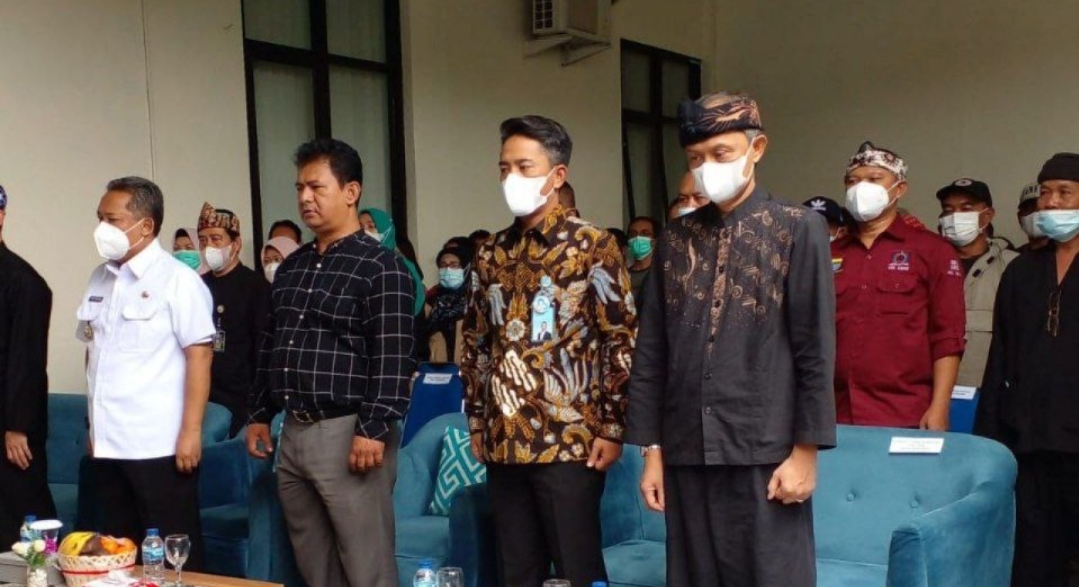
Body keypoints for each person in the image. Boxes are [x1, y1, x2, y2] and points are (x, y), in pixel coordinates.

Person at [626, 92, 836, 587]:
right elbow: (651, 352)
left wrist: (806, 452)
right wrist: (652, 452)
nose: (707, 167)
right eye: (695, 158)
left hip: (764, 451)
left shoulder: (797, 228)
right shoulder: (674, 240)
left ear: (756, 148)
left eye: (720, 153)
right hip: (685, 450)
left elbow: (815, 349)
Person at [461, 115, 636, 587]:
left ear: (558, 175)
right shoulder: (490, 253)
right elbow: (476, 343)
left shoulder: (593, 245)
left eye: (524, 167)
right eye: (504, 168)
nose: (511, 178)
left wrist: (613, 427)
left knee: (578, 569)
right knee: (516, 571)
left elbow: (620, 339)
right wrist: (477, 420)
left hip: (570, 441)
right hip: (504, 440)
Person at [247, 138, 415, 587]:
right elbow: (272, 345)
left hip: (350, 430)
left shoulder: (382, 267)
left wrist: (372, 429)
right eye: (300, 187)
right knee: (313, 564)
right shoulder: (292, 267)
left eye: (317, 187)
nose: (305, 197)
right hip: (293, 430)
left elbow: (393, 357)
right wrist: (260, 413)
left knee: (366, 564)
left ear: (351, 191)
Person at [76, 176, 213, 569]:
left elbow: (200, 356)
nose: (102, 228)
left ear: (146, 225)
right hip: (108, 446)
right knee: (118, 555)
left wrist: (191, 432)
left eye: (113, 220)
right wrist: (94, 426)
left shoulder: (178, 280)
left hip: (159, 447)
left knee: (173, 558)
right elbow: (93, 353)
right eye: (100, 218)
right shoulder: (99, 278)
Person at [975, 153, 1079, 586]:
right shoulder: (1021, 270)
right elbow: (1000, 354)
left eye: (1064, 192)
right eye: (1045, 193)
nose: (1050, 202)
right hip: (1030, 439)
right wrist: (989, 436)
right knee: (1034, 555)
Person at [832, 142, 965, 429]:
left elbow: (947, 335)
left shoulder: (932, 251)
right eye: (853, 181)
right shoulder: (829, 253)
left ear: (900, 189)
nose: (861, 188)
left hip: (904, 412)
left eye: (874, 179)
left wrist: (940, 406)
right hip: (834, 412)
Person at [0, 184, 57, 544]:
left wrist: (17, 425)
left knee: (22, 513)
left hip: (10, 423)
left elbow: (28, 359)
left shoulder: (24, 281)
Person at [935, 178, 1018, 389]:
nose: (956, 216)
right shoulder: (927, 262)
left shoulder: (1013, 266)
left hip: (989, 391)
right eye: (948, 210)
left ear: (988, 215)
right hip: (930, 389)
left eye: (966, 209)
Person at [197, 203, 271, 437]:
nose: (208, 247)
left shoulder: (256, 287)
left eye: (216, 239)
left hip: (241, 401)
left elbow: (263, 352)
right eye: (203, 240)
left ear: (236, 244)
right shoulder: (197, 286)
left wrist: (259, 408)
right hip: (203, 397)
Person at [360, 208, 426, 316]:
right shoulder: (353, 261)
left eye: (371, 226)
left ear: (386, 230)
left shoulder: (399, 265)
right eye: (359, 227)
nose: (363, 232)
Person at [425, 244, 472, 364]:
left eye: (454, 265)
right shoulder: (431, 299)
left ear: (466, 268)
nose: (448, 269)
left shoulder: (474, 300)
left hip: (467, 365)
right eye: (443, 265)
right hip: (438, 367)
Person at [626, 216, 659, 301]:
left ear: (655, 241)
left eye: (645, 233)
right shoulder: (623, 275)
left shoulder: (661, 274)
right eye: (633, 234)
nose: (637, 237)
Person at [1017, 182, 1050, 253]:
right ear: (1019, 218)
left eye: (1043, 209)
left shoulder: (1067, 255)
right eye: (1028, 209)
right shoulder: (1014, 257)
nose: (1035, 214)